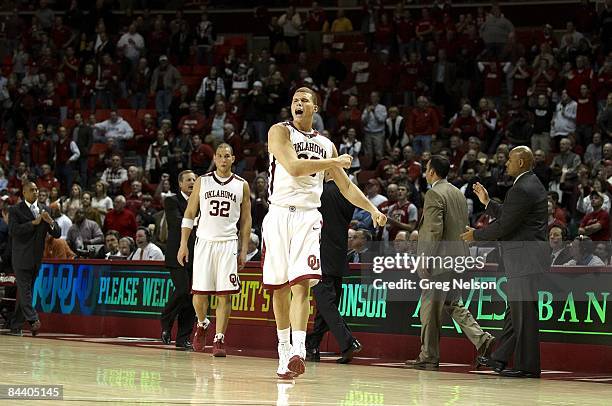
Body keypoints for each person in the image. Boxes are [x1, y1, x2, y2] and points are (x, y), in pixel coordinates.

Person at [261, 87, 386, 379]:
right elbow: (292, 167)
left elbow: (346, 187)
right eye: (294, 100)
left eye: (304, 100)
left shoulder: (326, 144)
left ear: (315, 108)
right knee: (279, 288)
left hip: (307, 217)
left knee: (302, 285)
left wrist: (371, 209)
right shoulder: (279, 132)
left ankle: (298, 350)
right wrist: (334, 162)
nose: (298, 103)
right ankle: (282, 348)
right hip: (278, 213)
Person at [461, 146, 549, 378]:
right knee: (515, 313)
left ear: (521, 162)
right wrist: (488, 202)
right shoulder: (529, 184)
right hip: (528, 258)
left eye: (510, 159)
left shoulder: (522, 188)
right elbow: (511, 215)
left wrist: (476, 236)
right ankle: (498, 358)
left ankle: (528, 367)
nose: (506, 163)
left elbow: (504, 226)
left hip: (524, 259)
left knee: (525, 315)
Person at [407, 155, 494, 369]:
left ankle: (428, 355)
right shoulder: (458, 193)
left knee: (429, 308)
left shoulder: (434, 193)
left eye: (427, 169)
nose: (426, 173)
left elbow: (434, 230)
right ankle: (481, 338)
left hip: (440, 260)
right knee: (453, 303)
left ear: (433, 172)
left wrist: (425, 257)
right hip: (459, 258)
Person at [178, 144, 252, 357]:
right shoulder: (203, 181)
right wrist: (184, 243)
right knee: (199, 293)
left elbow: (246, 219)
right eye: (219, 156)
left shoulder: (242, 185)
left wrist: (244, 248)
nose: (222, 159)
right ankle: (202, 323)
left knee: (224, 294)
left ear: (233, 158)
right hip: (204, 242)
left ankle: (219, 339)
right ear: (215, 158)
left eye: (226, 156)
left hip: (228, 243)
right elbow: (190, 212)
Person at [305, 178, 361, 364]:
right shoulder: (349, 190)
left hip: (320, 253)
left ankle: (347, 342)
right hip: (338, 253)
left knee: (326, 304)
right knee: (327, 305)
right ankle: (312, 344)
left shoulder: (318, 189)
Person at [7, 181, 61, 336]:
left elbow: (57, 233)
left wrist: (50, 221)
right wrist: (33, 222)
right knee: (26, 291)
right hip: (21, 257)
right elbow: (13, 231)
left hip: (37, 259)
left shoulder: (46, 209)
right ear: (24, 192)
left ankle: (15, 325)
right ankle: (33, 319)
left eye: (37, 190)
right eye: (32, 190)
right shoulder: (15, 210)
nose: (36, 192)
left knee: (25, 293)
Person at [160, 170, 197, 351]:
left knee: (193, 298)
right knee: (183, 291)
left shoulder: (202, 202)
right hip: (177, 254)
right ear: (180, 184)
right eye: (189, 180)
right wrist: (196, 221)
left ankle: (183, 338)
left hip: (197, 255)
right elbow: (176, 222)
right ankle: (166, 319)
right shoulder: (172, 200)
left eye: (194, 180)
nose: (192, 182)